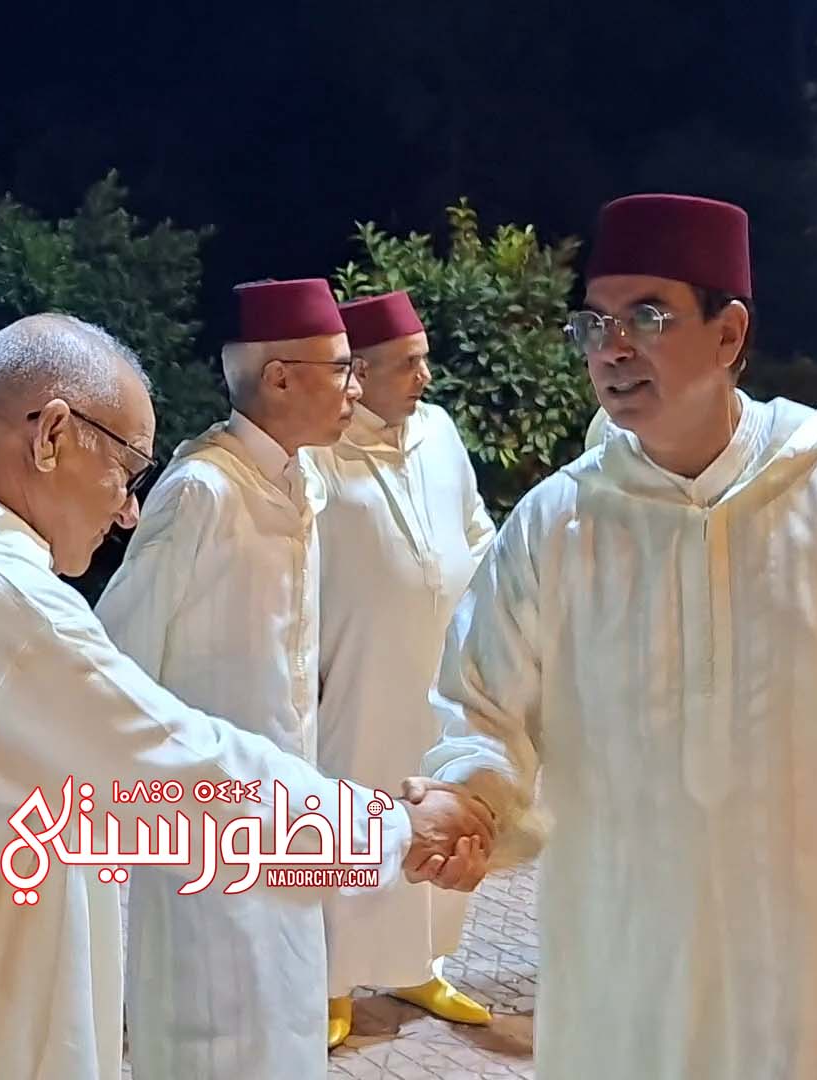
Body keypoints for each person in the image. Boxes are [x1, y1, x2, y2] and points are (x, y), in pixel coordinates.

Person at [0, 314, 490, 1080]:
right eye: (128, 470)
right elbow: (176, 768)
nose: (129, 510)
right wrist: (393, 830)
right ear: (52, 435)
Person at [419, 193, 817, 1079]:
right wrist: (470, 800)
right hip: (624, 945)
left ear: (729, 334)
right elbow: (482, 703)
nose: (613, 347)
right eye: (595, 324)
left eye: (648, 317)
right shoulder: (560, 519)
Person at [99, 279, 486, 1077]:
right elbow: (117, 661)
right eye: (341, 369)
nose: (356, 389)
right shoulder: (203, 489)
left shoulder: (300, 479)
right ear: (278, 378)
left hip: (289, 808)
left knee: (285, 1018)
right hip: (209, 824)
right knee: (210, 1029)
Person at [311, 290, 497, 1047]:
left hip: (444, 676)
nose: (426, 376)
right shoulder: (321, 449)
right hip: (357, 679)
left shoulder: (439, 430)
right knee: (349, 826)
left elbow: (476, 529)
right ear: (359, 371)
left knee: (441, 814)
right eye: (409, 363)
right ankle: (330, 982)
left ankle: (420, 965)